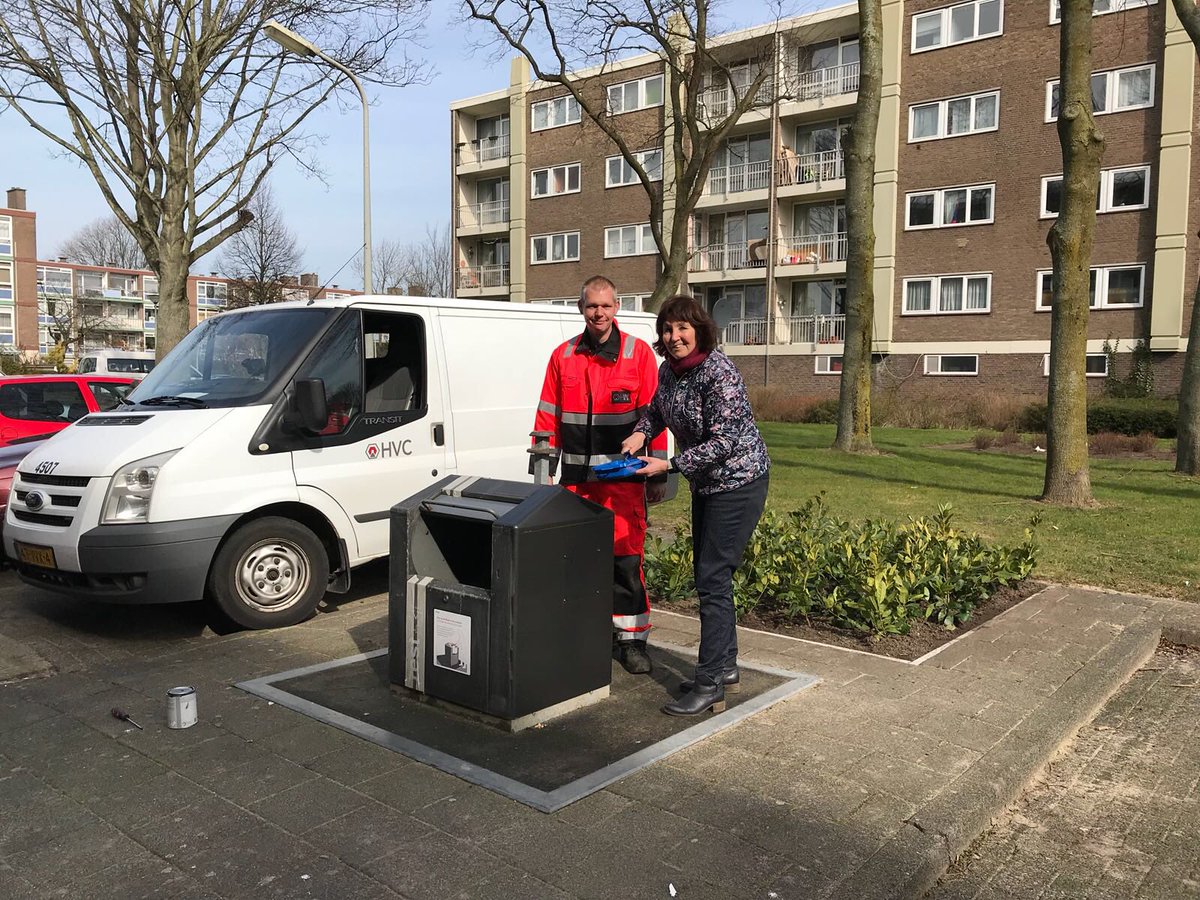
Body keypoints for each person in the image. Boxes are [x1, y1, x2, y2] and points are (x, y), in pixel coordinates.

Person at [622, 294, 770, 716]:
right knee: (711, 577)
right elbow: (657, 411)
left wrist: (668, 464)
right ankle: (724, 668)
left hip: (739, 482)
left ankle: (709, 685)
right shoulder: (670, 371)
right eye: (667, 329)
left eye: (682, 328)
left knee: (712, 578)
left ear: (699, 329)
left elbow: (724, 442)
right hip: (707, 485)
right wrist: (639, 435)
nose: (674, 337)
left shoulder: (719, 372)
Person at [533, 275, 668, 674]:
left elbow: (655, 418)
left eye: (606, 305)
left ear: (616, 307)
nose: (599, 313)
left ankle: (632, 642)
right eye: (592, 306)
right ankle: (587, 632)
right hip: (575, 484)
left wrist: (657, 472)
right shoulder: (563, 356)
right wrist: (543, 480)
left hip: (625, 483)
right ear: (581, 309)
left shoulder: (639, 354)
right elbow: (546, 421)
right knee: (575, 562)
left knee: (626, 562)